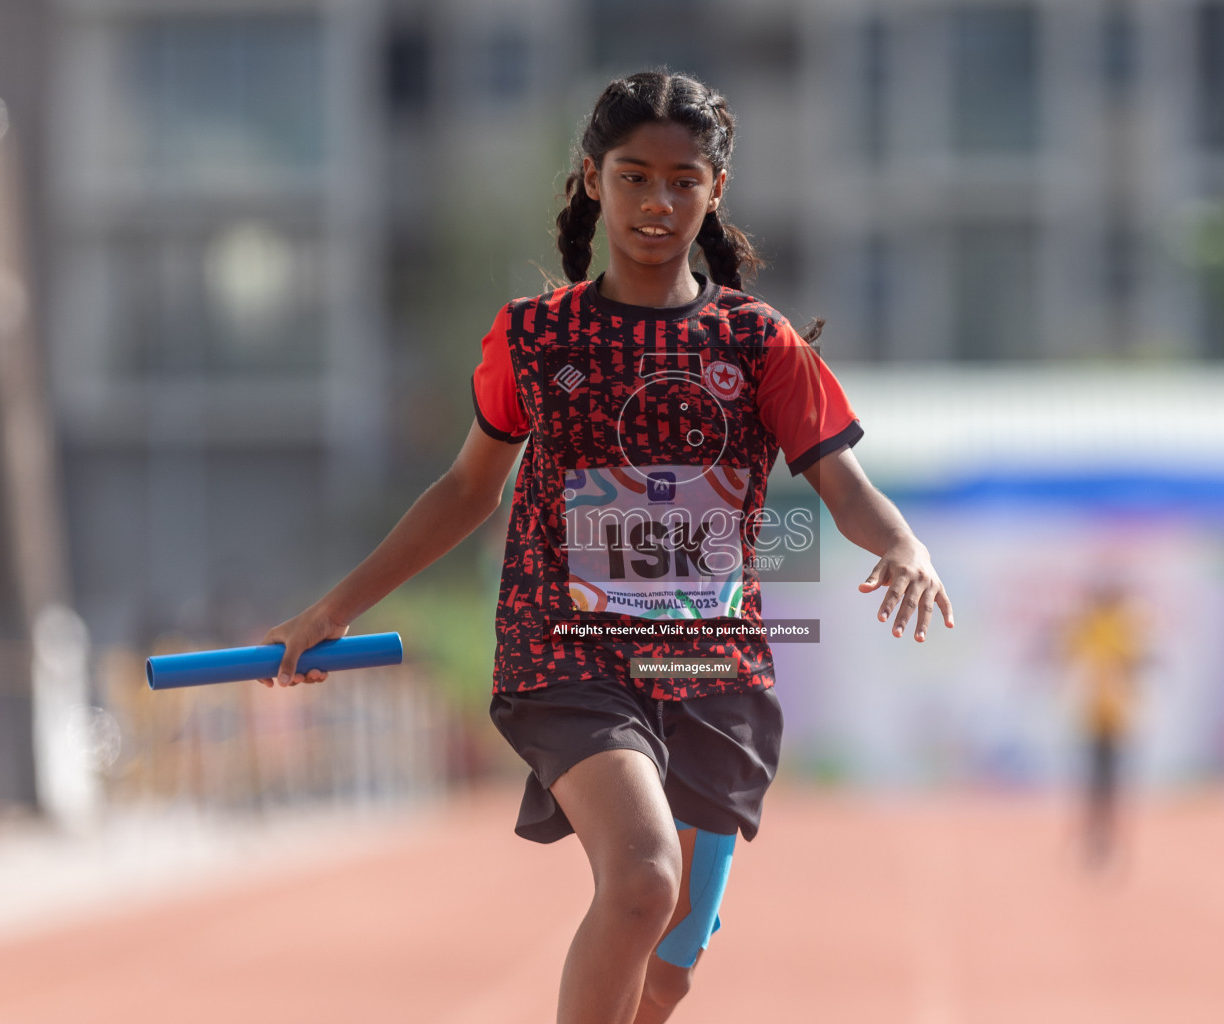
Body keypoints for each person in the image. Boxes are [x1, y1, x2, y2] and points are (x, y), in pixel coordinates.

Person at [258, 70, 953, 1024]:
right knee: (641, 877)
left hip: (711, 669)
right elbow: (466, 488)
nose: (656, 203)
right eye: (633, 177)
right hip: (564, 656)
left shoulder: (761, 346)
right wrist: (332, 609)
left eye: (681, 180)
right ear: (593, 181)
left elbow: (843, 487)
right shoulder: (536, 338)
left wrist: (905, 544)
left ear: (714, 191)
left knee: (669, 964)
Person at [1058, 578, 1145, 870]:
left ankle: (1106, 841)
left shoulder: (1120, 626)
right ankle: (1098, 840)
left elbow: (1137, 662)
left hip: (1115, 718)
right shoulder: (1096, 626)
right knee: (1098, 785)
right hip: (1098, 716)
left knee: (1109, 786)